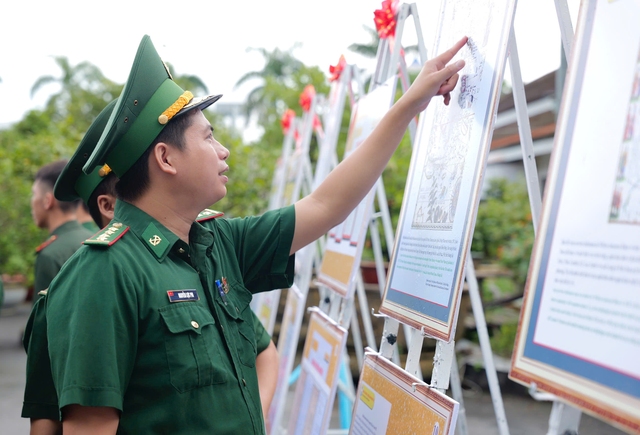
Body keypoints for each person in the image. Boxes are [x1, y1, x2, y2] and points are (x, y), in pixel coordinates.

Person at [44, 34, 466, 434]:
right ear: (166, 158)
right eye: (209, 137)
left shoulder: (217, 243)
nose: (223, 150)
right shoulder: (104, 273)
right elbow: (90, 427)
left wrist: (410, 104)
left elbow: (324, 205)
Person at [23, 99, 280, 433]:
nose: (222, 151)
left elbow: (261, 350)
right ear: (108, 206)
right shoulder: (97, 274)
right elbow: (58, 418)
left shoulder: (194, 254)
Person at [30, 160, 94, 301]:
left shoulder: (50, 255)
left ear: (47, 201)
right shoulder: (95, 239)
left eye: (34, 194)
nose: (32, 202)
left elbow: (42, 320)